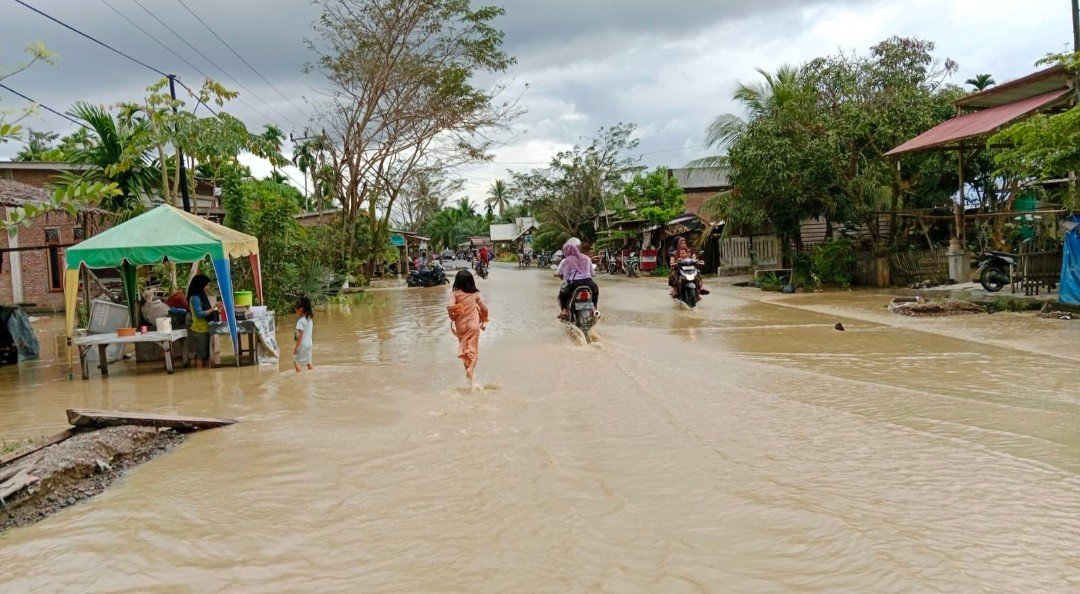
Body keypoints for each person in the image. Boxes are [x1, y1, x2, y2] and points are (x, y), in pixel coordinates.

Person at [446, 270, 488, 384]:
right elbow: (484, 308)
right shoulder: (475, 294)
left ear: (457, 282)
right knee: (473, 350)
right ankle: (470, 370)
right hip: (473, 326)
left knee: (465, 349)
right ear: (471, 281)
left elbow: (449, 306)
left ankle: (468, 376)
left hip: (461, 327)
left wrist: (454, 314)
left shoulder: (455, 294)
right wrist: (484, 320)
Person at [555, 238, 599, 319]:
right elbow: (592, 274)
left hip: (574, 285)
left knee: (561, 294)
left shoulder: (566, 261)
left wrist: (561, 277)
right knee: (595, 291)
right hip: (589, 283)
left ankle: (564, 311)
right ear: (579, 248)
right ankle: (594, 309)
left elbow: (566, 278)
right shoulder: (587, 258)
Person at [186, 274, 219, 368]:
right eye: (206, 285)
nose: (208, 287)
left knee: (206, 354)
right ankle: (199, 376)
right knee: (202, 355)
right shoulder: (195, 298)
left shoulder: (201, 295)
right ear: (200, 285)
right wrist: (213, 309)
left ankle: (204, 376)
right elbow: (199, 314)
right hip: (199, 330)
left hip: (205, 328)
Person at [293, 296, 314, 372]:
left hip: (303, 345)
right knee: (309, 361)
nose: (296, 312)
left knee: (296, 361)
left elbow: (300, 335)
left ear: (301, 309)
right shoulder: (310, 319)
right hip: (310, 344)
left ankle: (300, 378)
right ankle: (312, 374)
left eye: (296, 310)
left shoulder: (300, 321)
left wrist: (297, 347)